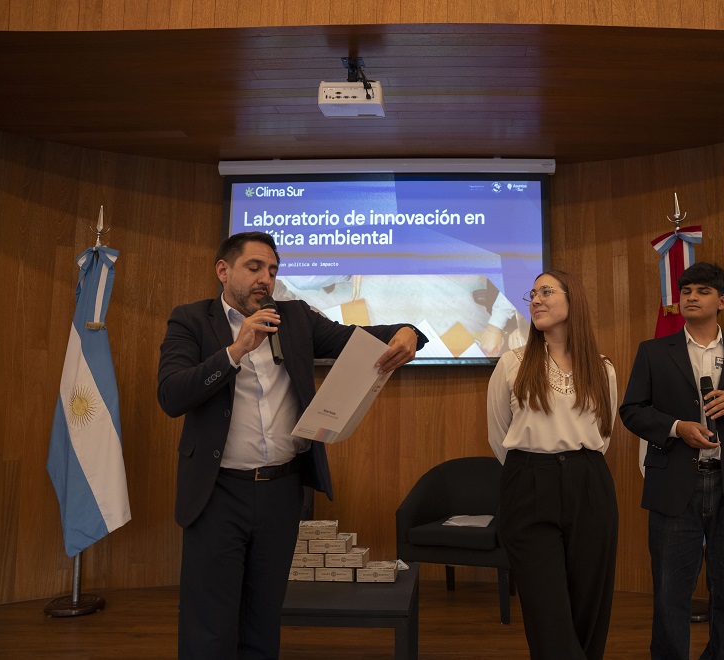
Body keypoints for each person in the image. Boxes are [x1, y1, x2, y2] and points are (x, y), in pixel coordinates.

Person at [157, 231, 426, 660]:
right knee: (209, 622)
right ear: (223, 270)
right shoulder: (191, 320)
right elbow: (172, 395)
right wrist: (235, 351)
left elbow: (357, 338)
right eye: (254, 267)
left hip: (281, 493)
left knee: (263, 617)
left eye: (272, 270)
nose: (265, 278)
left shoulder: (296, 318)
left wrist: (408, 331)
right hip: (216, 493)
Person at [619, 262, 724, 660]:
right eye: (687, 291)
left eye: (703, 291)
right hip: (675, 482)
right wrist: (676, 428)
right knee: (670, 590)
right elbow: (632, 411)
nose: (691, 297)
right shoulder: (653, 352)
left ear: (722, 301)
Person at [486, 269, 619, 659]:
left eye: (546, 292)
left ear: (572, 299)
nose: (536, 300)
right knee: (546, 611)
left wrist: (573, 468)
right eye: (532, 295)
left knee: (589, 604)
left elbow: (604, 435)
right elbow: (498, 434)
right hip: (528, 484)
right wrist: (536, 467)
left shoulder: (603, 368)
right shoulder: (512, 363)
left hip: (589, 482)